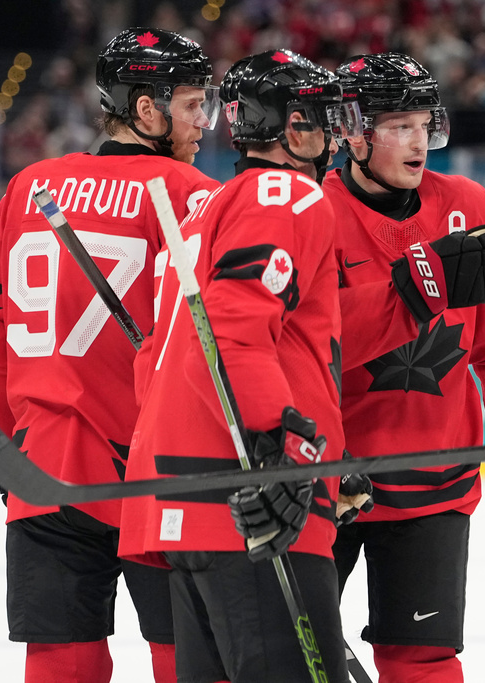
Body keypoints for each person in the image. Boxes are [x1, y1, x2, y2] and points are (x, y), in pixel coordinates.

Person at [0, 27, 222, 683]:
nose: (204, 121)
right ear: (145, 108)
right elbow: (214, 353)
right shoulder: (191, 194)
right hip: (160, 475)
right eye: (193, 105)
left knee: (61, 663)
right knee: (190, 660)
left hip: (45, 470)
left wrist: (21, 446)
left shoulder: (30, 187)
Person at [117, 49, 364, 683]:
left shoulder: (208, 209)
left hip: (187, 503)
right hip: (254, 505)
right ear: (289, 128)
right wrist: (284, 445)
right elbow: (231, 331)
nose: (334, 134)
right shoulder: (289, 195)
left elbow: (156, 359)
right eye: (320, 119)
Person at [323, 52, 485, 681]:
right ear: (353, 132)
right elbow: (302, 346)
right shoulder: (313, 211)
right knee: (288, 660)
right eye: (400, 126)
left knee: (422, 662)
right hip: (329, 480)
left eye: (425, 124)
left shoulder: (468, 205)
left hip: (435, 479)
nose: (419, 142)